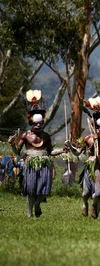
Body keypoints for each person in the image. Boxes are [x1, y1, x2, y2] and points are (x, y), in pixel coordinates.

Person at [8, 90, 67, 218]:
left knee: (43, 190)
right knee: (30, 189)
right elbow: (17, 152)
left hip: (44, 164)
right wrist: (13, 143)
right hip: (30, 164)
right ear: (31, 123)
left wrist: (63, 150)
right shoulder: (25, 135)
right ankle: (29, 214)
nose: (39, 125)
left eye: (40, 123)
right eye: (36, 123)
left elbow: (51, 152)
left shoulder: (46, 136)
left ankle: (37, 204)